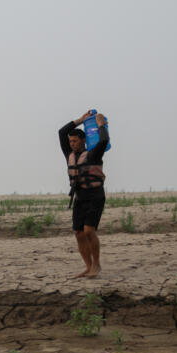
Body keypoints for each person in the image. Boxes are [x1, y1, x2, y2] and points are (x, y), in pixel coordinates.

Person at [59, 111, 110, 278]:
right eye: (70, 141)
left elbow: (103, 140)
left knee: (89, 230)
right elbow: (61, 132)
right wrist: (80, 120)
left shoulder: (94, 154)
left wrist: (101, 124)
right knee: (78, 233)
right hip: (80, 198)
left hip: (95, 196)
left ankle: (97, 265)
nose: (72, 144)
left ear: (83, 140)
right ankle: (88, 267)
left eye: (75, 141)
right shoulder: (70, 155)